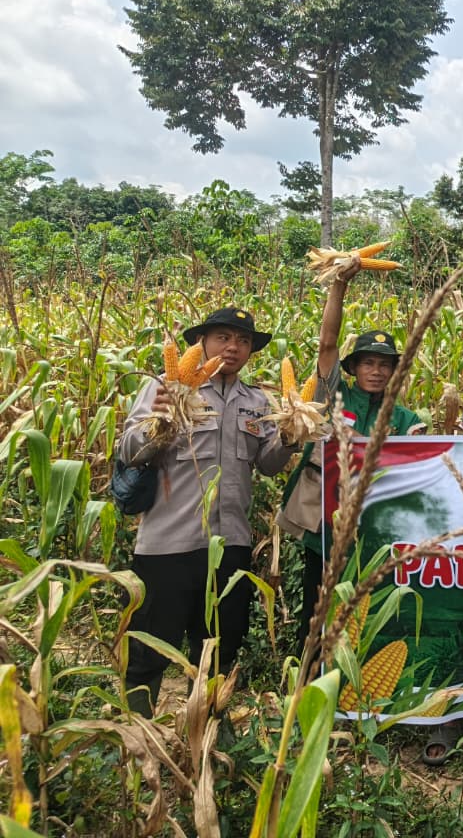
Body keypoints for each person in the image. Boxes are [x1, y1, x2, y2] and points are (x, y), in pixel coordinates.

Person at [117, 307, 297, 716]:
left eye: (243, 340)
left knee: (218, 650)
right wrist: (159, 423)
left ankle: (209, 736)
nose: (233, 347)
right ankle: (137, 735)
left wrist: (289, 434)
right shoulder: (168, 387)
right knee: (148, 648)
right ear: (202, 342)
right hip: (169, 545)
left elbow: (268, 465)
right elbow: (128, 450)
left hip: (231, 544)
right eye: (223, 337)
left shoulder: (256, 401)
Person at [279, 260, 424, 652]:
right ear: (354, 367)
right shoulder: (331, 397)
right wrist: (338, 287)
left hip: (376, 533)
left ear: (395, 371)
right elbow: (327, 343)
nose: (376, 371)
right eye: (368, 363)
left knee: (364, 612)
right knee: (317, 608)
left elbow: (420, 460)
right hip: (324, 525)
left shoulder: (406, 417)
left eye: (384, 364)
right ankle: (305, 680)